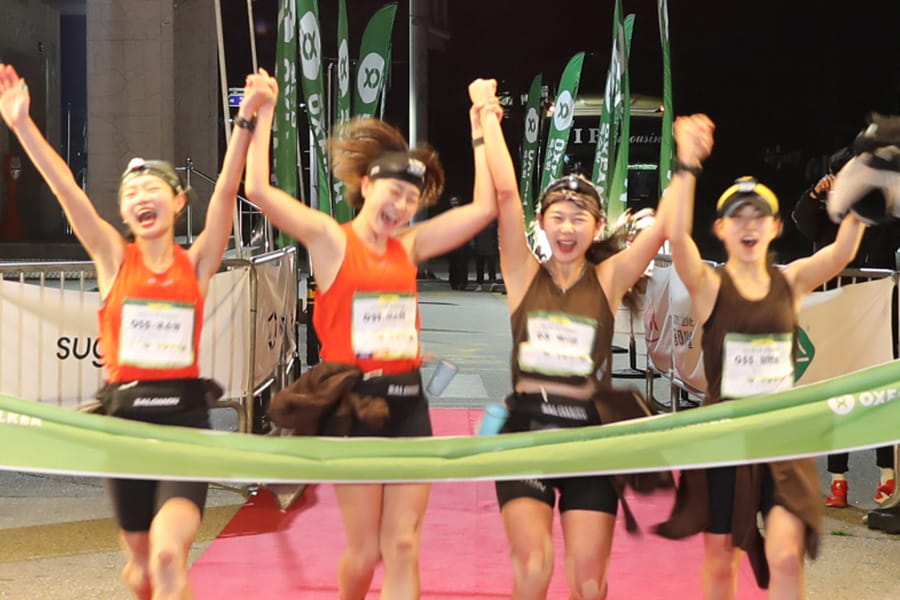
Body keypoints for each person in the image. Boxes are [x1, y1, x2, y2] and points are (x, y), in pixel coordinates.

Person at [0, 63, 273, 599]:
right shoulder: (111, 258)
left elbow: (225, 196)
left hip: (184, 425)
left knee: (170, 557)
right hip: (123, 427)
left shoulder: (197, 263)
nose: (142, 196)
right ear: (124, 210)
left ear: (178, 202)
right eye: (132, 192)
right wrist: (22, 125)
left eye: (153, 188)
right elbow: (66, 190)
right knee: (143, 570)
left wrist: (244, 121)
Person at [244, 79, 497, 600]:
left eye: (411, 199)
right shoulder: (329, 239)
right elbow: (259, 192)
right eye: (393, 193)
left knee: (403, 545)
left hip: (409, 403)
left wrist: (481, 127)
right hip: (353, 407)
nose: (401, 206)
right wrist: (261, 114)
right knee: (364, 554)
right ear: (365, 185)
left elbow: (484, 209)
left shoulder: (410, 244)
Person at [476, 78, 694, 599]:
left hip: (590, 437)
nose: (568, 228)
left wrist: (687, 160)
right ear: (540, 224)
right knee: (534, 567)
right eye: (558, 217)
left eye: (579, 219)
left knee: (590, 582)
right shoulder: (522, 273)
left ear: (597, 227)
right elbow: (505, 195)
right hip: (526, 431)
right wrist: (485, 114)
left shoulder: (609, 279)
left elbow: (662, 228)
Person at [656, 114, 866, 599]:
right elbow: (678, 240)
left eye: (758, 217)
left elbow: (840, 254)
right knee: (720, 560)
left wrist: (861, 196)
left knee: (787, 555)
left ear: (774, 227)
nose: (748, 225)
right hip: (723, 438)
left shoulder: (790, 281)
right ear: (721, 229)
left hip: (781, 440)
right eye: (737, 217)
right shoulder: (709, 287)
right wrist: (687, 163)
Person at [792, 147, 898, 507]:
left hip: (879, 317)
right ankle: (838, 481)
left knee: (881, 397)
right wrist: (815, 194)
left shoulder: (883, 210)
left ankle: (887, 478)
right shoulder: (829, 213)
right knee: (839, 400)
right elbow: (803, 221)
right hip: (836, 317)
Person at [473, 218, 499, 291]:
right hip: (482, 244)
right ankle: (480, 283)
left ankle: (491, 281)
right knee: (481, 265)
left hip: (489, 244)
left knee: (490, 265)